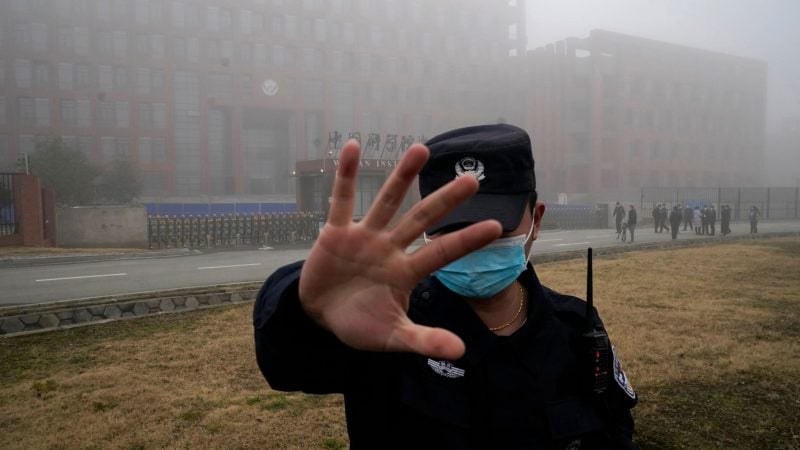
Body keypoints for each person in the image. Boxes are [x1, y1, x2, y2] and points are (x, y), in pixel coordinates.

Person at [253, 124, 638, 448]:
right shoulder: (388, 327)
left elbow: (615, 431)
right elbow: (287, 365)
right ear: (426, 229)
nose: (472, 241)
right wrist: (309, 310)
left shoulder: (574, 326)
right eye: (453, 225)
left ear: (536, 219)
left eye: (496, 225)